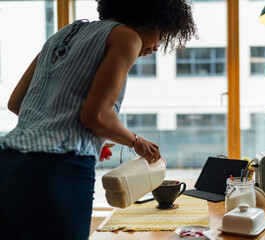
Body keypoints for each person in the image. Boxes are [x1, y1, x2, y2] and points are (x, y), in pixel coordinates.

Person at [0, 0, 197, 239]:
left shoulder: (64, 33)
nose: (156, 46)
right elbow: (96, 116)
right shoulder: (127, 38)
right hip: (57, 172)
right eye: (162, 34)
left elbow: (17, 103)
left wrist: (84, 135)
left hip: (8, 164)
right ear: (152, 18)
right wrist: (136, 142)